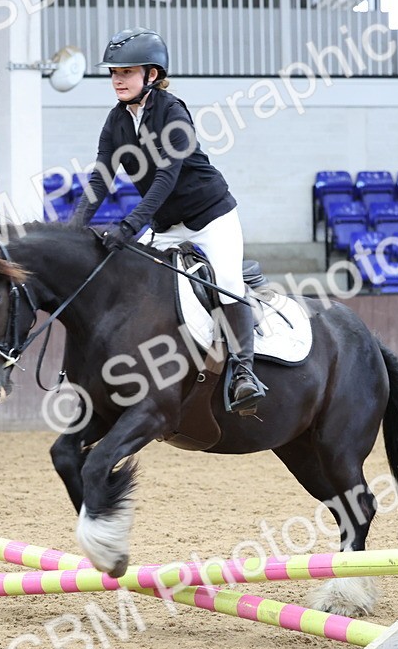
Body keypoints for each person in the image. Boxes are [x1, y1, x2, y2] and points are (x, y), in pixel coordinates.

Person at [70, 28, 265, 416]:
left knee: (226, 284)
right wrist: (72, 230)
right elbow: (100, 179)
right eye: (113, 73)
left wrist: (128, 228)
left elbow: (164, 180)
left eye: (126, 72)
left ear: (152, 75)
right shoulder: (116, 121)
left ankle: (244, 372)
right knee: (141, 289)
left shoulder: (173, 111)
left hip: (210, 218)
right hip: (166, 224)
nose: (117, 79)